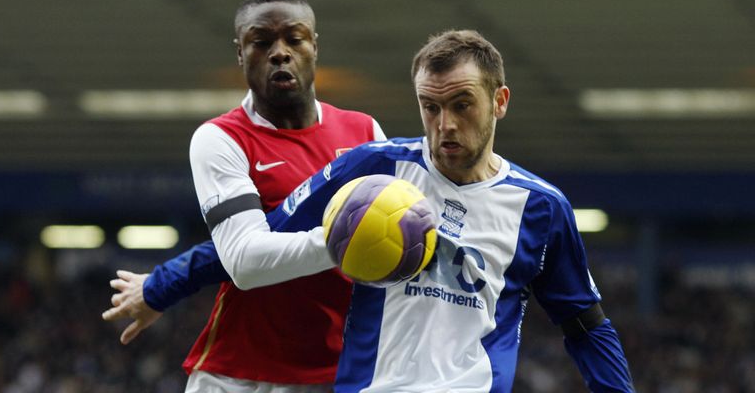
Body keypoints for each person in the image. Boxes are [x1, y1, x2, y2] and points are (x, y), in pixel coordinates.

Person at [222, 29, 635, 392]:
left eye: (462, 105)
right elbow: (257, 242)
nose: (445, 124)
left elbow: (584, 325)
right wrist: (166, 284)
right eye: (430, 107)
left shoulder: (541, 208)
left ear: (500, 101)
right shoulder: (373, 168)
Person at [102, 0, 384, 392]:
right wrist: (353, 239)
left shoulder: (364, 131)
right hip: (237, 377)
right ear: (240, 52)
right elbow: (246, 261)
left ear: (315, 47)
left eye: (295, 38)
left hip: (337, 375)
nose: (280, 52)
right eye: (261, 41)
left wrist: (167, 282)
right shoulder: (221, 139)